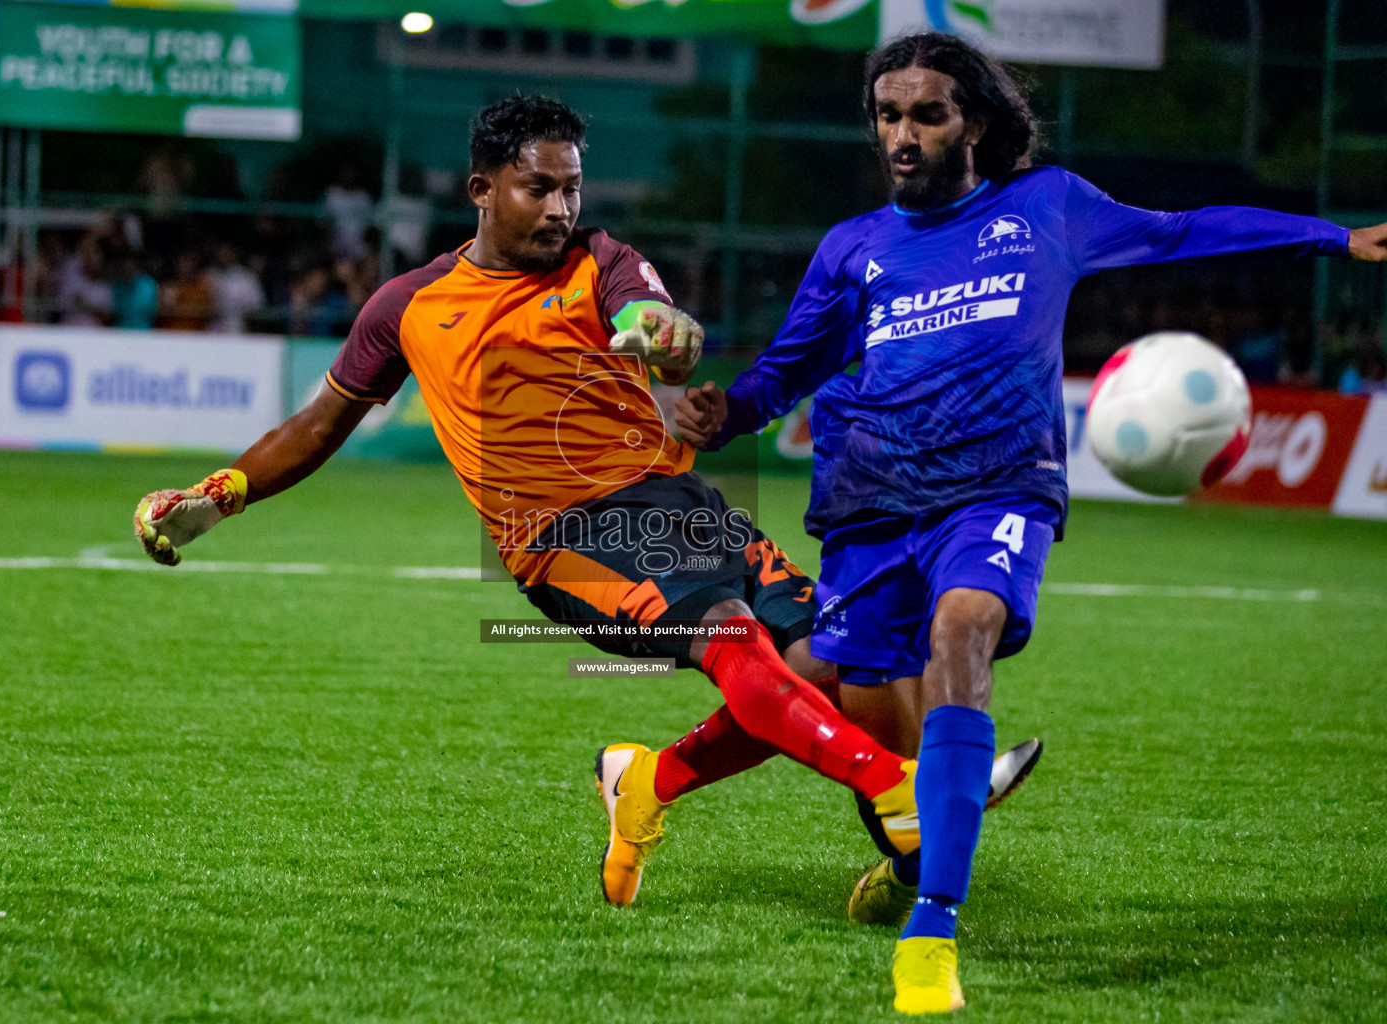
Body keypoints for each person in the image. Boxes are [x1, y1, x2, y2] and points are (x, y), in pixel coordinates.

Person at [130, 95, 1038, 915]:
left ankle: (652, 782)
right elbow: (321, 423)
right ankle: (902, 792)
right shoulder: (408, 306)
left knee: (828, 667)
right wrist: (215, 499)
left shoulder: (604, 260)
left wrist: (669, 337)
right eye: (539, 189)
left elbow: (658, 326)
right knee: (734, 637)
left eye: (571, 188)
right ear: (482, 189)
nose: (562, 208)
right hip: (561, 538)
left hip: (677, 503)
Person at [673, 31, 1387, 1016]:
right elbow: (784, 372)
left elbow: (1183, 231)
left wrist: (1333, 237)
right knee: (886, 734)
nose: (903, 135)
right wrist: (727, 413)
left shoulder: (1048, 208)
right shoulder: (854, 248)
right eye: (888, 116)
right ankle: (903, 857)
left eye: (927, 114)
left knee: (964, 631)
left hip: (1000, 488)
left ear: (978, 121)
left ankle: (933, 932)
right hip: (870, 505)